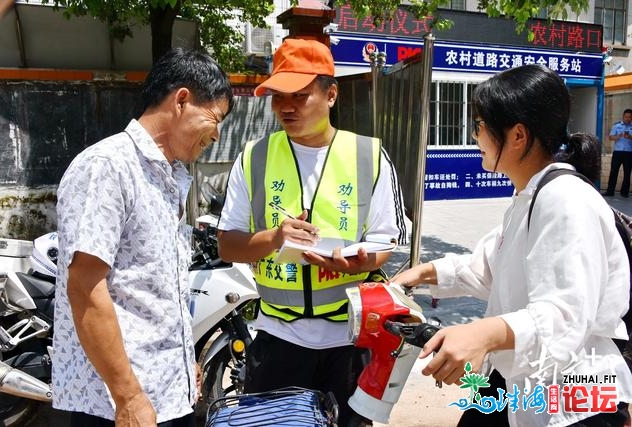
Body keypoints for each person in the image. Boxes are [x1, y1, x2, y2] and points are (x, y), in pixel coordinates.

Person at [392, 64, 632, 427]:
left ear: (517, 135)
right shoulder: (530, 196)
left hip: (574, 398)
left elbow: (564, 314)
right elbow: (489, 266)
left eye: (480, 126)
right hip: (522, 379)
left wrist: (482, 334)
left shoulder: (565, 200)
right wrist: (418, 273)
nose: (475, 137)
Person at [216, 38, 407, 427]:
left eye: (300, 96)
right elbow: (228, 244)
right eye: (277, 97)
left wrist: (356, 263)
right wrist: (275, 238)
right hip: (277, 339)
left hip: (350, 342)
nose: (286, 107)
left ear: (331, 94)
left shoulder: (368, 156)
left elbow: (386, 243)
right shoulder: (253, 157)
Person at [52, 47, 233, 426]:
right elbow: (85, 287)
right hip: (115, 405)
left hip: (164, 395)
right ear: (181, 100)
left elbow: (150, 288)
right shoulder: (108, 167)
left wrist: (183, 364)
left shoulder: (170, 177)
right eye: (214, 120)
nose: (216, 135)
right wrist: (128, 396)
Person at [604, 109, 632, 197]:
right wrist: (619, 136)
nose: (628, 118)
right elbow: (611, 138)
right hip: (618, 153)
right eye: (626, 117)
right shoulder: (616, 126)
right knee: (613, 172)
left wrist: (630, 137)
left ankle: (624, 192)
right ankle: (610, 191)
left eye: (630, 117)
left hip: (629, 153)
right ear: (623, 117)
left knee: (627, 173)